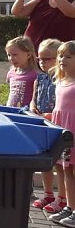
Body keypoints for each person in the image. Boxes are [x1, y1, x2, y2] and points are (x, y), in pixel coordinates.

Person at [30, 39, 65, 212]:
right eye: (40, 59)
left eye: (47, 59)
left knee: (60, 163)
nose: (42, 62)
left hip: (57, 124)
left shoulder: (61, 80)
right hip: (43, 124)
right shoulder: (40, 78)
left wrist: (51, 114)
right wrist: (32, 108)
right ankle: (48, 193)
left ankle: (62, 197)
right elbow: (34, 98)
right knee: (45, 162)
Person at [48, 41, 75, 226]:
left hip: (73, 132)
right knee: (66, 169)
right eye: (60, 55)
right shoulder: (60, 81)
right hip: (63, 133)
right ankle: (70, 206)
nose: (62, 59)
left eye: (68, 56)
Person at [4, 36, 39, 108]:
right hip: (10, 110)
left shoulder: (35, 75)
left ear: (28, 55)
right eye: (9, 55)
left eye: (15, 55)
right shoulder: (11, 73)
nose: (11, 58)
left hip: (26, 112)